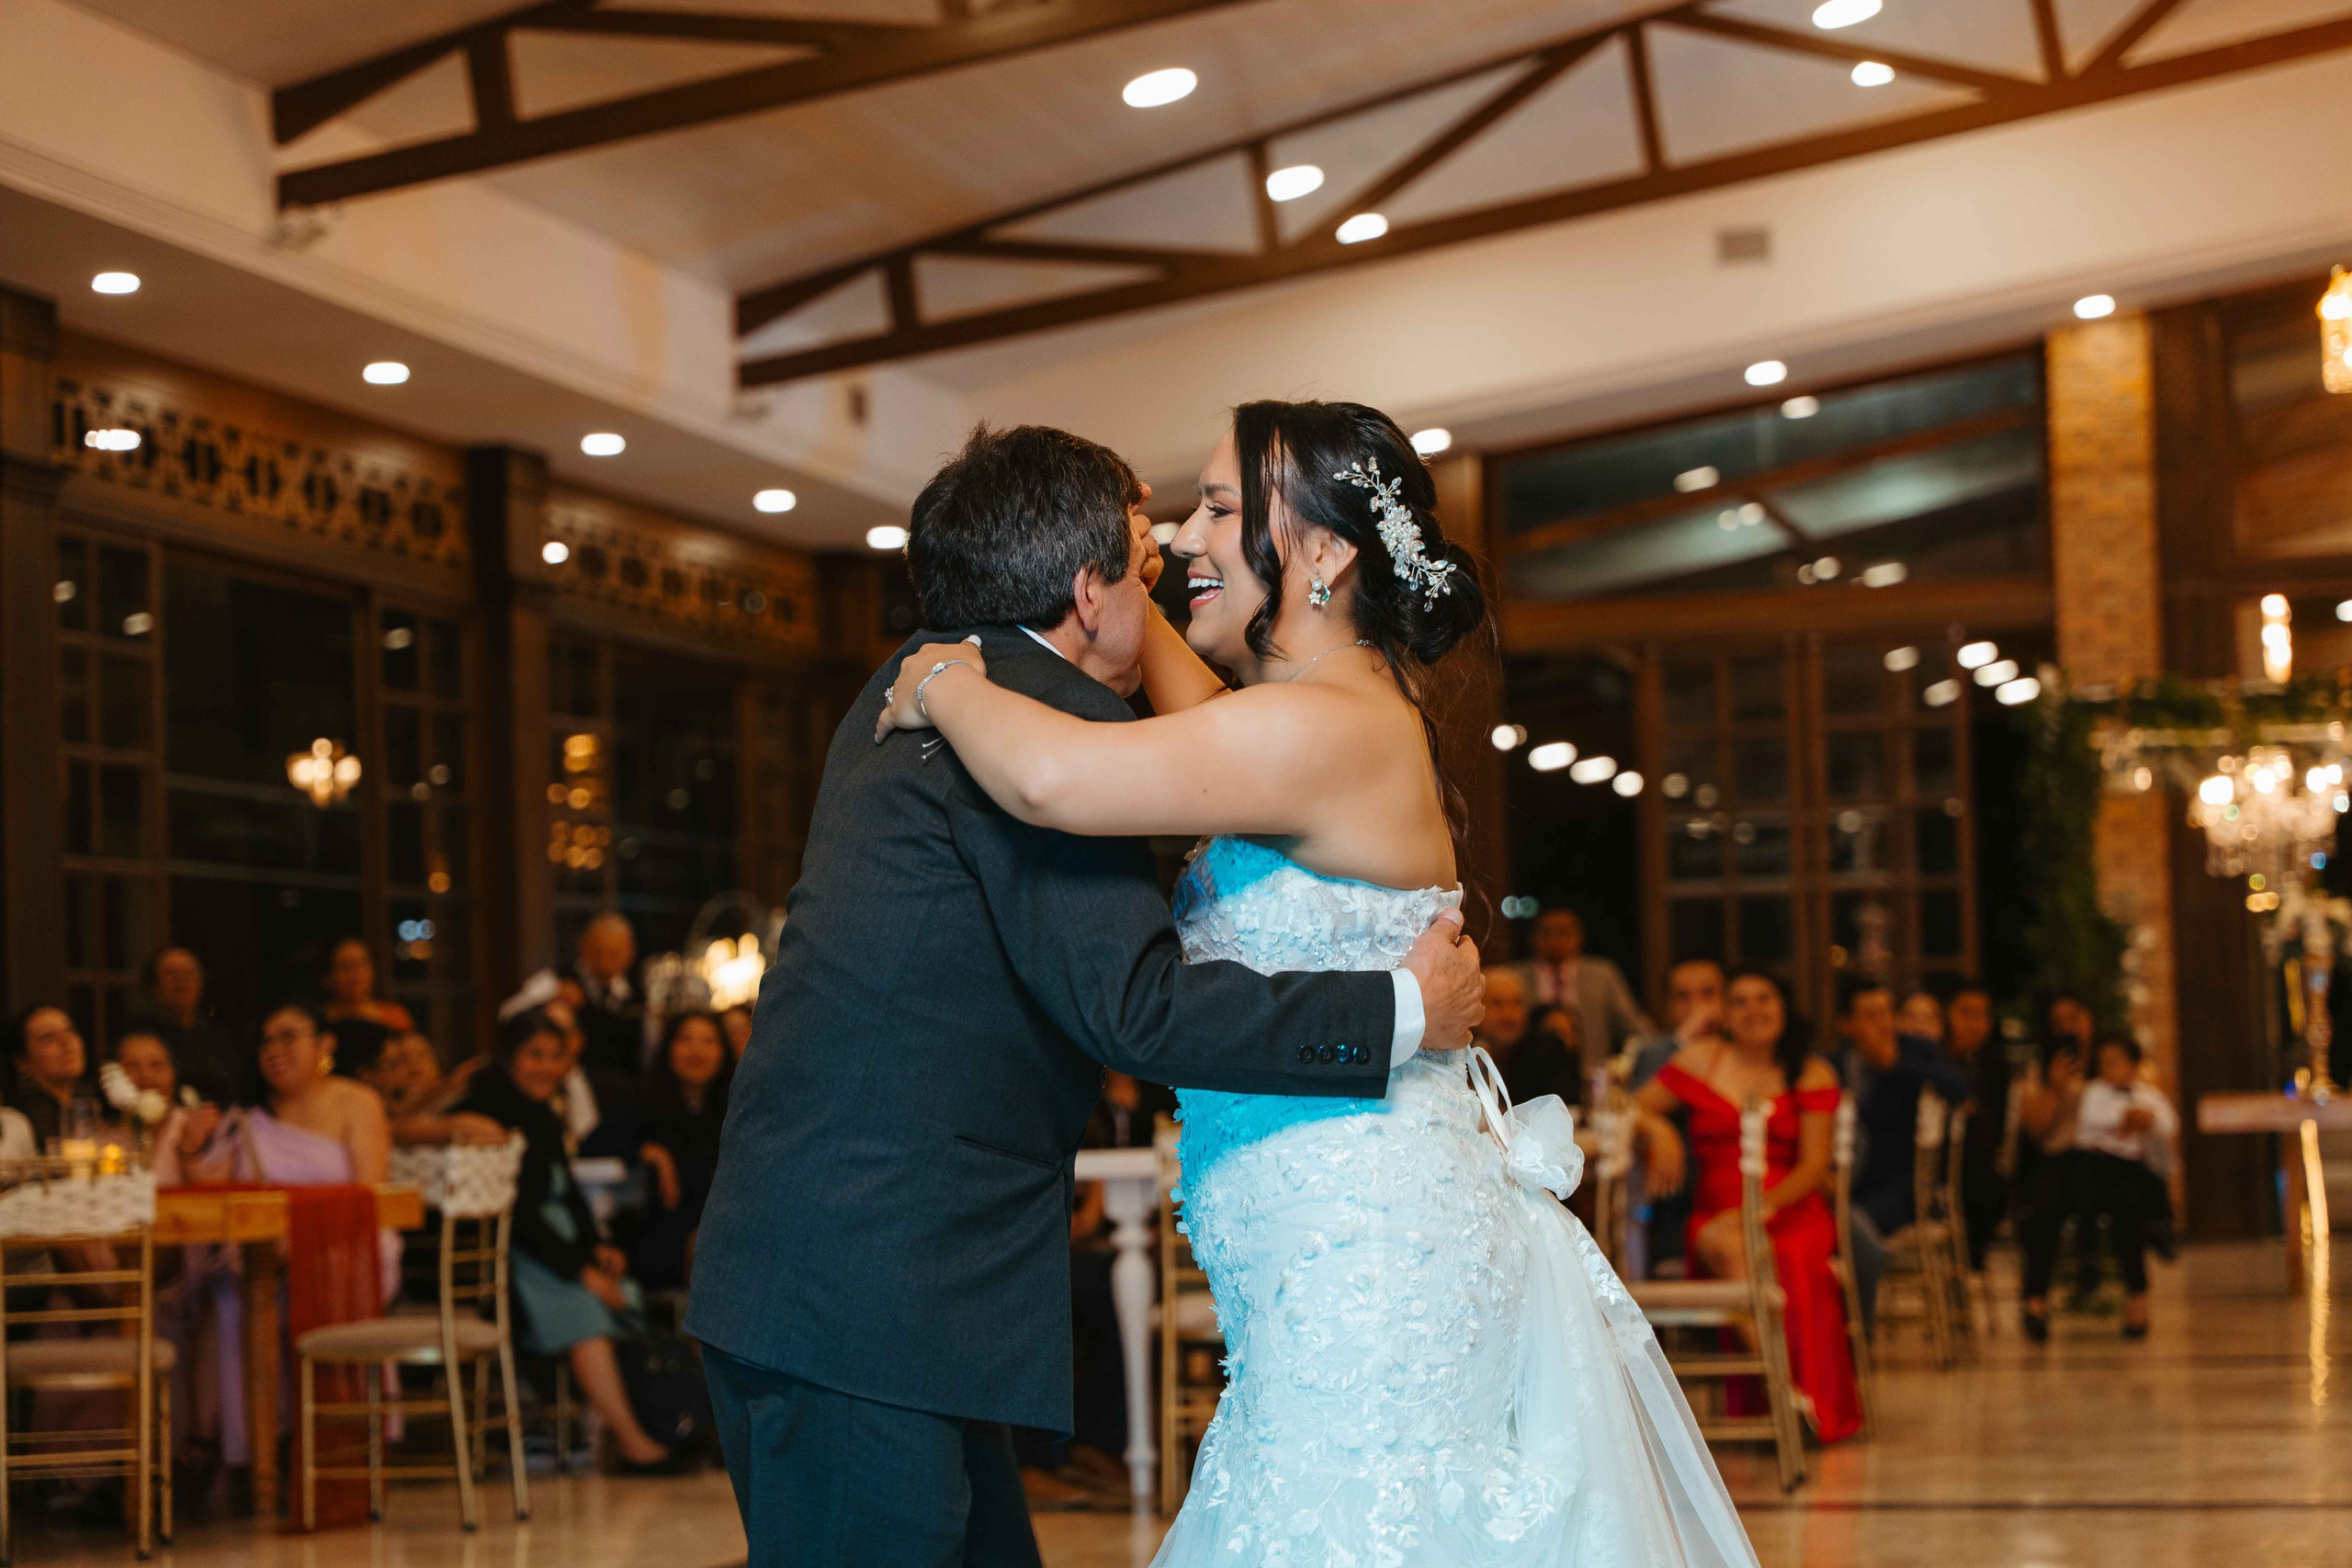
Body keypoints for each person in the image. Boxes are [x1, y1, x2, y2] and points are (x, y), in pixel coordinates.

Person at [862, 410, 1756, 1566]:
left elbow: (1047, 781)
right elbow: (1188, 695)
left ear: (1326, 553)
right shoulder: (1311, 717)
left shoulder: (1317, 729)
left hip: (1367, 1255)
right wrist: (1137, 576)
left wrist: (940, 679)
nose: (1183, 538)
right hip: (1330, 1247)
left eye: (1222, 510)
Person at [686, 419, 1498, 1567]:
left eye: (1216, 514)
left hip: (854, 1276)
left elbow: (1128, 731)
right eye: (1149, 549)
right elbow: (1137, 1007)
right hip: (873, 1294)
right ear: (1084, 588)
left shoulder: (945, 685)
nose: (1174, 546)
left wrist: (1011, 651)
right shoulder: (1035, 713)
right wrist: (1402, 1011)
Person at [1637, 967, 1861, 1443]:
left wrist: (1753, 1212)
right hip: (1715, 1209)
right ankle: (1784, 1394)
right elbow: (1627, 1103)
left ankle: (1792, 1397)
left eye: (1765, 998)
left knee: (1791, 1256)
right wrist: (1658, 1130)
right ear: (1724, 1013)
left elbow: (1813, 1167)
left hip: (1789, 1207)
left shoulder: (1811, 1071)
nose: (1753, 1010)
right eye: (1739, 1001)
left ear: (1784, 1007)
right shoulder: (1701, 1060)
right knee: (1725, 1241)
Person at [453, 1009, 681, 1470]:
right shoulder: (490, 1116)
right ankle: (634, 1442)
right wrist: (581, 1270)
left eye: (556, 1057)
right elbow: (519, 1217)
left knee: (625, 1295)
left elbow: (569, 1191)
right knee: (585, 1312)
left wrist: (597, 1246)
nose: (546, 1068)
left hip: (559, 1244)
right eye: (534, 1055)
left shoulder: (545, 1115)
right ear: (509, 1059)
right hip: (513, 1255)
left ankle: (615, 1436)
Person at [1838, 976, 1971, 1325]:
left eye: (1887, 1012)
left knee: (1850, 1227)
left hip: (1901, 1188)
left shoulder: (1915, 1051)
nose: (1883, 1023)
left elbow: (1959, 1091)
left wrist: (1895, 1066)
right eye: (1869, 1015)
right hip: (1842, 1182)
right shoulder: (1835, 1063)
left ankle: (1855, 1331)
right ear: (1847, 1023)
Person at [2073, 1034, 2178, 1339]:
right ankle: (2089, 1255)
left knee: (2133, 1203)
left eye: (2116, 1061)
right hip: (2096, 1168)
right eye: (2103, 1062)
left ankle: (2160, 1229)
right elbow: (2092, 1123)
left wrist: (2144, 1121)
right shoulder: (2095, 1092)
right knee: (2100, 1184)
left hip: (2129, 1175)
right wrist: (2126, 1118)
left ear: (2134, 1065)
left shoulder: (2147, 1094)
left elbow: (2168, 1125)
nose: (2108, 1068)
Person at [631, 1010, 733, 1292]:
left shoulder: (739, 1113)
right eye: (685, 1040)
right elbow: (594, 1146)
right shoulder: (644, 1104)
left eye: (708, 1041)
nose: (696, 1051)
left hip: (728, 1231)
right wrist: (647, 1150)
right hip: (661, 1236)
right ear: (668, 1048)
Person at [1504, 908, 1654, 1075]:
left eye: (1563, 933)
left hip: (1591, 1074)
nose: (1555, 941)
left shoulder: (1602, 974)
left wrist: (1624, 1064)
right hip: (1527, 1077)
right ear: (1532, 938)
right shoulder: (1514, 976)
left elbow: (1634, 1026)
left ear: (1579, 937)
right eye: (1546, 933)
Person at [2016, 1031, 2091, 1342]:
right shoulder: (2036, 1082)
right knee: (2043, 1208)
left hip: (2095, 1160)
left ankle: (2091, 1266)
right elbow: (2035, 1130)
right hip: (2053, 1162)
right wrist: (2056, 1089)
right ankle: (2036, 1300)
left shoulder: (2104, 1074)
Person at [1944, 983, 2011, 1269]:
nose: (1973, 1024)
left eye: (1981, 1016)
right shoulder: (1936, 1061)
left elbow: (1996, 1130)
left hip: (1976, 1164)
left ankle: (1969, 1261)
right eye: (1965, 1014)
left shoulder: (1996, 1067)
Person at [352, 1030, 505, 1147]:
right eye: (402, 1060)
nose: (414, 1066)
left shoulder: (462, 1098)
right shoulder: (382, 1108)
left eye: (421, 1055)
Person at [132, 947, 242, 1107]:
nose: (181, 980)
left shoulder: (218, 1033)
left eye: (190, 973)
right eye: (171, 974)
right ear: (153, 987)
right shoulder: (140, 1034)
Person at [112, 1031, 223, 1182]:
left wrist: (189, 1153)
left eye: (157, 1065)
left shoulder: (194, 1126)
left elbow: (213, 1196)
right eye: (132, 1066)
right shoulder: (102, 1135)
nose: (146, 1075)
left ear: (174, 1073)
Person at [11, 1004, 95, 1149]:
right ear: (22, 1063)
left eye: (70, 1030)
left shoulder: (94, 1101)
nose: (66, 1042)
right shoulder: (19, 1121)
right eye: (48, 1037)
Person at [572, 912, 643, 1078]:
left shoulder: (641, 993)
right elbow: (509, 1013)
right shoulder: (559, 981)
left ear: (630, 953)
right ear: (582, 946)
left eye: (614, 953)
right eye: (597, 951)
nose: (604, 961)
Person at [321, 938, 413, 1035]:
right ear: (329, 976)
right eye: (345, 966)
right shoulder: (319, 1020)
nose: (354, 973)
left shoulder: (394, 1017)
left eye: (361, 964)